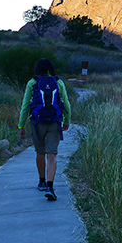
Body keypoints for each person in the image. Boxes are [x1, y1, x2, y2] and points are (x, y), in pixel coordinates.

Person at [18, 58, 71, 201]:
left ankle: (41, 181)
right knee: (52, 155)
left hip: (37, 123)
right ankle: (50, 186)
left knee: (40, 152)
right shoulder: (58, 82)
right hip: (54, 123)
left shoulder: (32, 83)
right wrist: (67, 121)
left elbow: (25, 106)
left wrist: (21, 126)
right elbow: (66, 103)